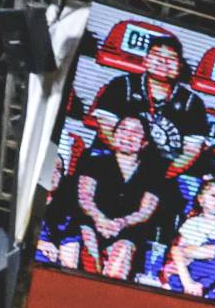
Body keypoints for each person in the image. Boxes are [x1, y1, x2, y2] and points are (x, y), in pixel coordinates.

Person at [83, 32, 214, 272]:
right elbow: (105, 130)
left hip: (162, 173)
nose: (163, 62)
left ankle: (154, 266)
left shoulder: (192, 103)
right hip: (113, 163)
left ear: (180, 67)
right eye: (157, 56)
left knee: (182, 192)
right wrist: (128, 160)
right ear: (145, 60)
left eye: (171, 58)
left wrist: (155, 175)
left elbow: (191, 152)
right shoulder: (121, 85)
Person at [71, 114, 168, 279]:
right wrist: (100, 219)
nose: (127, 136)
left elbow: (145, 211)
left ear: (144, 142)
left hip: (127, 230)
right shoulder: (93, 162)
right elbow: (85, 197)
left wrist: (121, 223)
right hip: (92, 222)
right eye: (122, 129)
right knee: (87, 241)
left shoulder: (154, 175)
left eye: (135, 132)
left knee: (121, 251)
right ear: (114, 136)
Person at [163, 177, 215, 296]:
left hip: (210, 270)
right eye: (213, 195)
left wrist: (190, 251)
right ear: (201, 199)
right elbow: (179, 249)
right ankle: (186, 284)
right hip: (189, 266)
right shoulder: (191, 223)